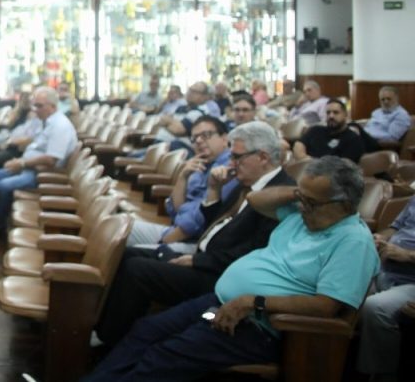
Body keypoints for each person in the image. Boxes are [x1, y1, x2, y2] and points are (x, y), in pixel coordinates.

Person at [85, 156, 379, 380]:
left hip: (262, 327)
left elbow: (326, 306)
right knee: (146, 331)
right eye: (302, 199)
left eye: (312, 202)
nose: (304, 208)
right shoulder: (303, 214)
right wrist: (299, 194)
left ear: (344, 204)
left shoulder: (352, 241)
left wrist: (254, 302)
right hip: (222, 303)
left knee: (164, 356)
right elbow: (255, 199)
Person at [97, 121, 294, 345]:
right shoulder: (247, 181)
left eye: (237, 157)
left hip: (218, 275)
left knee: (137, 270)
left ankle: (111, 339)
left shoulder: (278, 196)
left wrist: (197, 260)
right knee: (129, 255)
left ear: (263, 157)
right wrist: (213, 190)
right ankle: (110, 328)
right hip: (205, 256)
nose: (232, 163)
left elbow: (251, 253)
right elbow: (214, 226)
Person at [0, 87, 77, 233]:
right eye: (34, 105)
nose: (35, 109)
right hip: (31, 168)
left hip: (43, 174)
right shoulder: (46, 121)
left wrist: (22, 163)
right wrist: (21, 161)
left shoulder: (60, 126)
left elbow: (51, 159)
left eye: (39, 106)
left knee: (4, 185)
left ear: (53, 106)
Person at [126, 117, 235, 248]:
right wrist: (183, 177)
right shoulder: (200, 164)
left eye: (206, 135)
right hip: (175, 231)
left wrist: (163, 243)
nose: (199, 141)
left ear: (224, 139)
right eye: (194, 138)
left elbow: (197, 221)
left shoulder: (227, 169)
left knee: (132, 252)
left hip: (195, 242)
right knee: (119, 227)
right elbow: (176, 209)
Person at [358, 194, 415, 380]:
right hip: (383, 269)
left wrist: (408, 255)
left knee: (375, 307)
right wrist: (381, 237)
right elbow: (395, 228)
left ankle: (381, 376)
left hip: (410, 281)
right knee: (336, 290)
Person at [293, 98, 366, 163]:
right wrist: (306, 159)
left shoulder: (353, 139)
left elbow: (342, 167)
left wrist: (315, 165)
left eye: (336, 112)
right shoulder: (315, 130)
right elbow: (298, 145)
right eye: (328, 113)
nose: (331, 116)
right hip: (306, 170)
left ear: (345, 115)